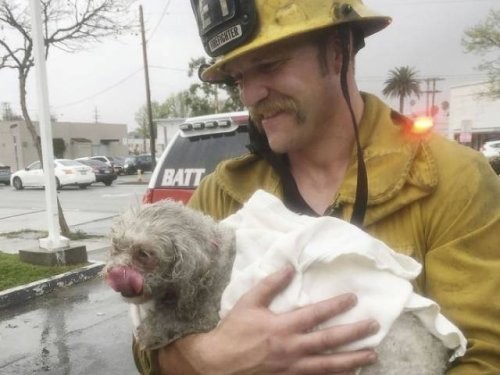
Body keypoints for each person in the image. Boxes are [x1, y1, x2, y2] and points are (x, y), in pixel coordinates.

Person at [133, 0, 500, 373]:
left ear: (338, 51)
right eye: (238, 78)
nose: (251, 95)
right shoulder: (221, 193)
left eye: (269, 64)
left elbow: (486, 356)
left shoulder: (449, 179)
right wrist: (203, 360)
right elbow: (148, 342)